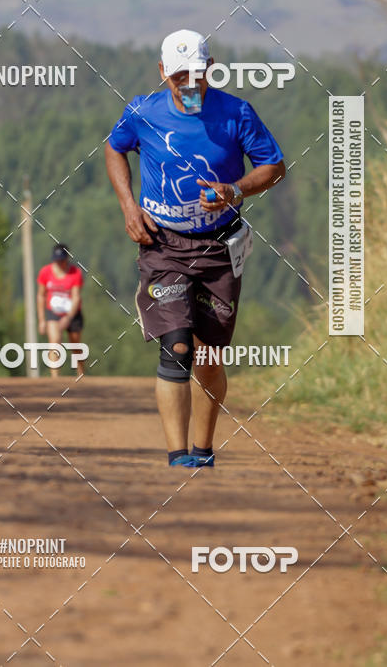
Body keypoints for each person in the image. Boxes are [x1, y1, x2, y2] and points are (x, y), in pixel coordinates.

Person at [105, 29, 285, 467]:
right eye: (178, 75)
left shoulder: (236, 113)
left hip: (219, 247)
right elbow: (114, 149)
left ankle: (202, 451)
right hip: (162, 245)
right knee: (178, 347)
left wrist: (234, 190)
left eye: (197, 74)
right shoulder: (142, 112)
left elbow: (274, 167)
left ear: (211, 69)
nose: (188, 83)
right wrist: (129, 207)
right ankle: (176, 458)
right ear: (162, 72)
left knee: (207, 354)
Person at [37, 244, 86, 377]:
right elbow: (41, 295)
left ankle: (81, 374)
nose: (59, 263)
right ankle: (55, 378)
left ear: (67, 259)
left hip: (73, 313)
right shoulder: (45, 272)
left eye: (62, 260)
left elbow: (76, 297)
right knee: (55, 341)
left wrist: (68, 318)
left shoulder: (75, 273)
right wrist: (41, 320)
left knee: (75, 345)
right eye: (56, 260)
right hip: (53, 311)